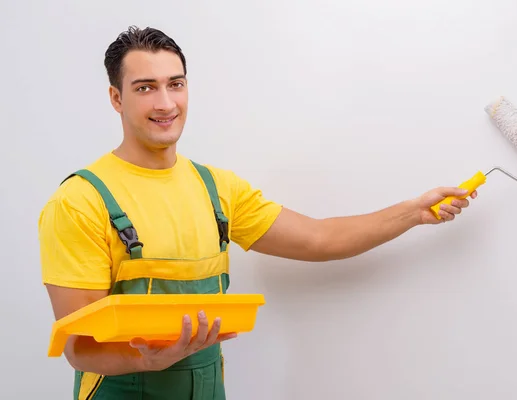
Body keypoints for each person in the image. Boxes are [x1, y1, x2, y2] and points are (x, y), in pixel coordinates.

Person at [38, 25, 477, 400]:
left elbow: (320, 238)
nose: (166, 103)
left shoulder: (217, 190)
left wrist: (412, 212)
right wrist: (146, 358)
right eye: (145, 88)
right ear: (116, 98)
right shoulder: (81, 201)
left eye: (176, 83)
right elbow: (79, 345)